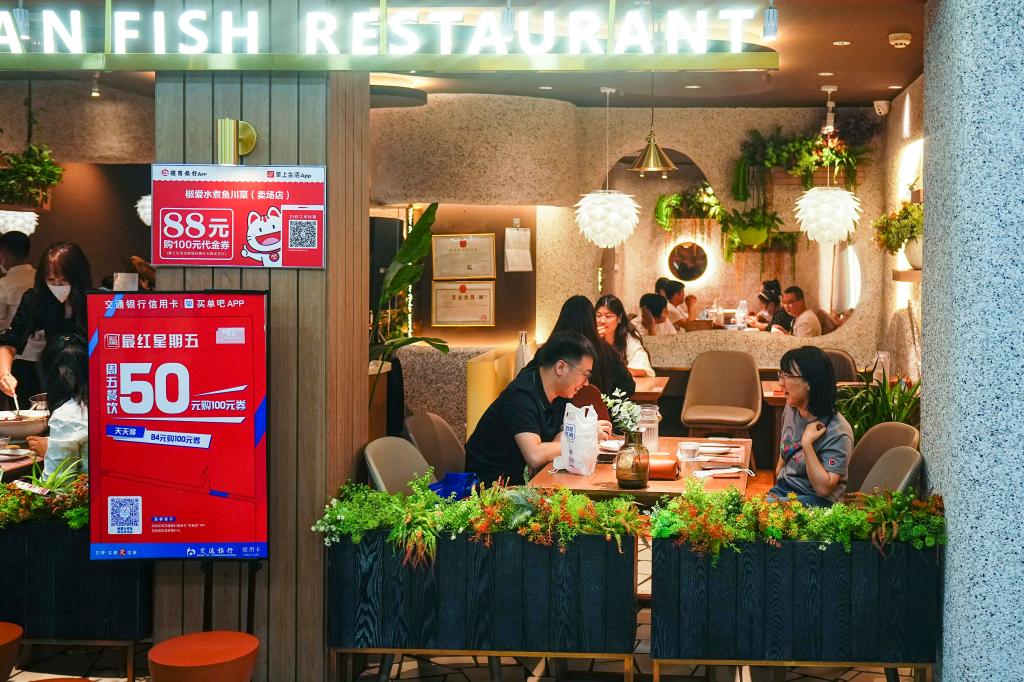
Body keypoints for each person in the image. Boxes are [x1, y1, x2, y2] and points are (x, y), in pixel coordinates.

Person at [465, 331, 612, 485]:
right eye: (585, 375)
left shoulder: (561, 394)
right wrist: (584, 437)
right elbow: (534, 455)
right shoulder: (520, 396)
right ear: (561, 367)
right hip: (492, 487)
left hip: (529, 481)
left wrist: (554, 449)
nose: (586, 383)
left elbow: (560, 436)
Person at [0, 242, 92, 399]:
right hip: (52, 373)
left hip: (90, 374)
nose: (56, 286)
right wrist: (4, 374)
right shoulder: (36, 299)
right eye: (51, 280)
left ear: (77, 277)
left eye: (62, 281)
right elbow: (10, 342)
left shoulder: (93, 302)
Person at [768, 346, 854, 507]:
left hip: (818, 502)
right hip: (785, 489)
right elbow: (786, 448)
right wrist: (780, 471)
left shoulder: (838, 431)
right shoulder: (791, 408)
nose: (781, 383)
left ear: (810, 383)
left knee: (758, 513)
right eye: (781, 374)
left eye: (787, 376)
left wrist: (807, 444)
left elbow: (824, 489)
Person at [529, 295, 635, 398]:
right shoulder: (607, 351)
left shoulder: (548, 350)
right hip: (596, 409)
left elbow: (528, 378)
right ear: (592, 320)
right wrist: (605, 403)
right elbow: (628, 386)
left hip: (554, 409)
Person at [27, 338, 88, 477]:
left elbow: (57, 481)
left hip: (90, 490)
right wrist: (55, 446)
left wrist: (52, 451)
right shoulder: (109, 404)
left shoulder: (68, 414)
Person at [0, 232, 45, 405]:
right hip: (47, 357)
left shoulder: (4, 284)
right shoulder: (41, 279)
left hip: (18, 359)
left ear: (3, 255)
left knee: (22, 409)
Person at [595, 294, 654, 378]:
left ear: (619, 318)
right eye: (598, 316)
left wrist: (618, 370)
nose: (602, 321)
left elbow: (643, 370)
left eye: (608, 316)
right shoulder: (590, 336)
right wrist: (595, 342)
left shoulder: (629, 337)